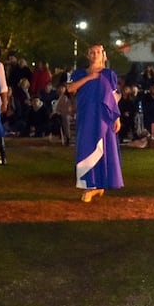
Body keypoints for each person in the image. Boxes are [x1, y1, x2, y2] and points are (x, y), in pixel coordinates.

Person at [67, 44, 123, 202]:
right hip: (86, 114)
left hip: (103, 116)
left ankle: (98, 185)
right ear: (88, 55)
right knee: (86, 146)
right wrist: (89, 78)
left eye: (98, 52)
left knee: (103, 148)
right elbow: (71, 89)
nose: (95, 54)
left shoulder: (109, 74)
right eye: (92, 52)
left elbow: (113, 97)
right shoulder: (79, 73)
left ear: (103, 55)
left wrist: (117, 118)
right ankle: (89, 184)